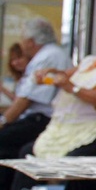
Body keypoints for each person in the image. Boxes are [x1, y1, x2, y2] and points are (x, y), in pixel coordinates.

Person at [10, 14, 96, 190]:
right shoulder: (91, 61)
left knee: (73, 163)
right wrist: (49, 74)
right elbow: (64, 76)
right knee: (28, 153)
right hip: (71, 129)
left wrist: (71, 87)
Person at [0, 18, 72, 189]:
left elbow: (26, 99)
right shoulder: (48, 54)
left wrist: (3, 122)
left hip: (43, 119)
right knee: (7, 152)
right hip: (38, 118)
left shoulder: (49, 56)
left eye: (23, 38)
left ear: (31, 42)